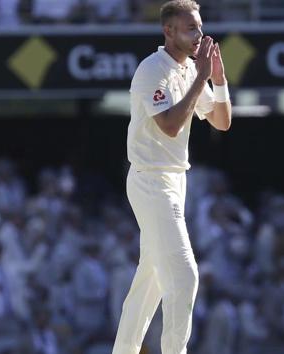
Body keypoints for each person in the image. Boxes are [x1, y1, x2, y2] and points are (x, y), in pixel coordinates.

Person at [112, 1, 232, 353]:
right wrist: (201, 77)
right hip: (150, 181)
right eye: (190, 29)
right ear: (168, 31)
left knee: (149, 283)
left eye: (199, 28)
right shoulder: (153, 70)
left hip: (175, 182)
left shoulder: (188, 71)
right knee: (184, 276)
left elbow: (222, 121)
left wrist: (219, 80)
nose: (199, 36)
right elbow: (170, 125)